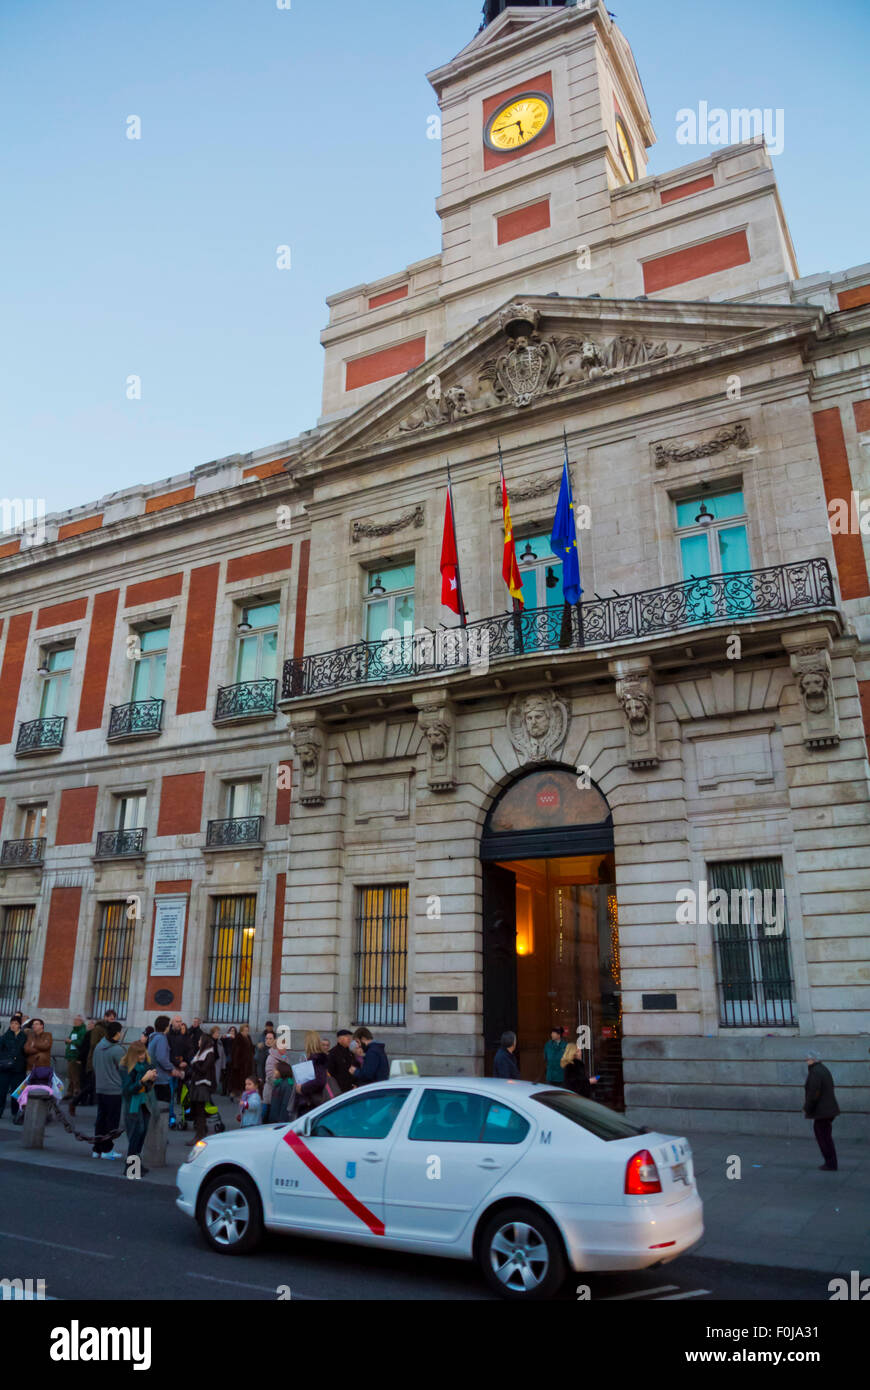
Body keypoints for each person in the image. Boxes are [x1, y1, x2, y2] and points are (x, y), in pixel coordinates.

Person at [120, 1041, 157, 1173]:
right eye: (139, 1054)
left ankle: (137, 1165)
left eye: (143, 1053)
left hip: (144, 1102)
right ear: (133, 1054)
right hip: (133, 1104)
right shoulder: (126, 1067)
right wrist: (142, 1080)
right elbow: (127, 1090)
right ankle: (130, 1168)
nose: (142, 1056)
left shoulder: (145, 1065)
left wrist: (151, 1080)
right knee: (136, 1133)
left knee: (142, 1133)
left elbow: (147, 1088)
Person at [92, 1021, 125, 1159]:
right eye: (121, 1031)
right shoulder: (117, 1050)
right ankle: (107, 1149)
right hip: (114, 1090)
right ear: (117, 1033)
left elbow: (94, 1065)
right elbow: (125, 1069)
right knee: (111, 1121)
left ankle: (97, 1149)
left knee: (101, 1119)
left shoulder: (99, 1047)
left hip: (100, 1087)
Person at [804, 1050, 840, 1171]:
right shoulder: (823, 1069)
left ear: (813, 1060)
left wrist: (807, 1107)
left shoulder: (815, 1072)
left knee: (823, 1137)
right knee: (825, 1136)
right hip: (828, 1109)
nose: (806, 1061)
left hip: (823, 1111)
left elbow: (813, 1093)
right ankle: (831, 1162)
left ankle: (830, 1163)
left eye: (808, 1059)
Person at [187, 1032, 217, 1143]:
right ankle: (199, 1134)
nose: (198, 1042)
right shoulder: (201, 1053)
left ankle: (200, 1136)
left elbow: (203, 1070)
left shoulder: (209, 1054)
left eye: (200, 1040)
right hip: (197, 1085)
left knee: (200, 1113)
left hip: (203, 1085)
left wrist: (194, 1064)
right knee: (197, 1112)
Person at [295, 1031, 333, 1113]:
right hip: (312, 1101)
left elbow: (320, 1081)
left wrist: (302, 1088)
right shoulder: (317, 1058)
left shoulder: (317, 1059)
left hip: (312, 1103)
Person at [0, 1014, 28, 1119]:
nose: (13, 1025)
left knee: (16, 1092)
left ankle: (15, 1112)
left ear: (20, 1025)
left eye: (16, 1023)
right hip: (5, 1068)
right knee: (1, 1091)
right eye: (12, 1023)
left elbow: (26, 1052)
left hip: (18, 1069)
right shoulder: (5, 1036)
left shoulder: (24, 1037)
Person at [263, 1030, 289, 1123]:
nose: (285, 1048)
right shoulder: (271, 1058)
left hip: (281, 1092)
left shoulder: (285, 1057)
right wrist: (280, 1083)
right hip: (271, 1092)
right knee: (268, 1115)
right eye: (283, 1046)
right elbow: (270, 1076)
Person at [63, 1015, 87, 1107]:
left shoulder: (82, 1031)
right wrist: (67, 1041)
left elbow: (80, 1043)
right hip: (70, 1054)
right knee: (70, 1074)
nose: (75, 1021)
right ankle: (70, 1091)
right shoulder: (74, 1030)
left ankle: (76, 1092)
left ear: (81, 1021)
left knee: (75, 1075)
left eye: (76, 1020)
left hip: (75, 1055)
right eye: (74, 1020)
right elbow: (70, 1039)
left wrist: (71, 1042)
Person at [227, 1023, 254, 1100]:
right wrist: (235, 1063)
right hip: (240, 1063)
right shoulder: (238, 1037)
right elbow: (235, 1051)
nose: (246, 1032)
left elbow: (251, 1047)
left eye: (247, 1030)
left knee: (244, 1079)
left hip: (247, 1063)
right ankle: (236, 1094)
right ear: (242, 1030)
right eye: (245, 1030)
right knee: (238, 1080)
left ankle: (239, 1094)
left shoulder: (248, 1037)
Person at [327, 1029, 358, 1094]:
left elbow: (355, 1067)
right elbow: (330, 1073)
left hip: (352, 1088)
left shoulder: (350, 1053)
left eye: (350, 1037)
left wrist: (355, 1084)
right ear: (339, 1039)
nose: (349, 1039)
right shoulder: (333, 1053)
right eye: (346, 1036)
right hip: (339, 1089)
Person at [221, 1026, 237, 1095]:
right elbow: (221, 1043)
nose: (232, 1032)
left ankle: (230, 1090)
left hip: (233, 1059)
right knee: (224, 1075)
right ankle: (224, 1090)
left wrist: (234, 1039)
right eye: (231, 1030)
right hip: (226, 1058)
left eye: (233, 1031)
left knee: (231, 1076)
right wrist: (223, 1037)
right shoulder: (226, 1039)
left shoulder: (236, 1039)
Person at [209, 1025, 225, 1093]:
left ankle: (213, 1088)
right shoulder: (208, 1041)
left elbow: (223, 1054)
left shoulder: (220, 1042)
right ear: (213, 1033)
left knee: (216, 1077)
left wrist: (223, 1066)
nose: (218, 1034)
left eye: (218, 1032)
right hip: (209, 1063)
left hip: (217, 1062)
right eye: (217, 1032)